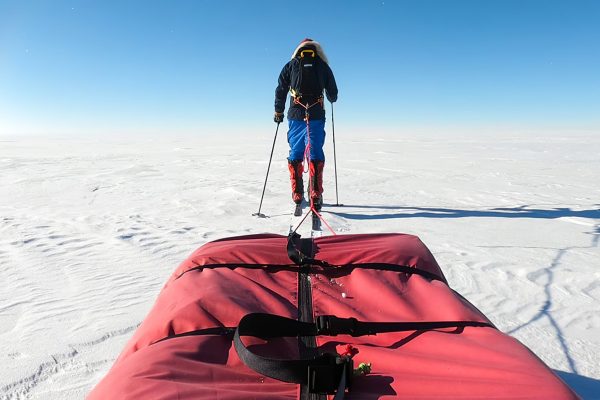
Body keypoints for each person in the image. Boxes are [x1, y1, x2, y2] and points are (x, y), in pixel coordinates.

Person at [274, 38, 338, 211]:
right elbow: (333, 95)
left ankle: (297, 193)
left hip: (296, 114)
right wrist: (329, 96)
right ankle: (315, 193)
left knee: (296, 151)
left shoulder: (291, 65)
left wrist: (278, 112)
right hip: (316, 114)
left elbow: (281, 89)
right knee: (315, 150)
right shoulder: (323, 65)